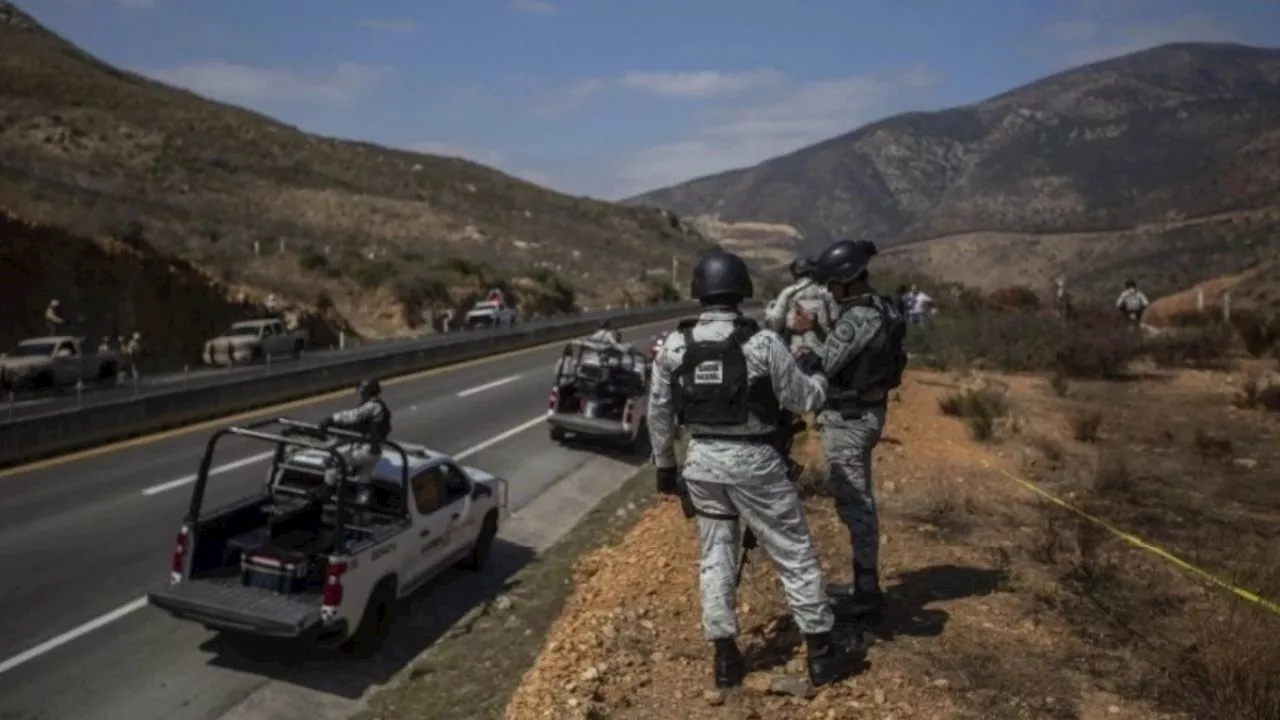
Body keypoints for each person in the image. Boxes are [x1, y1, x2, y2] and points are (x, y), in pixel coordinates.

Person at [648, 249, 852, 690]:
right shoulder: (761, 343)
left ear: (699, 291)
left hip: (701, 463)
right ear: (741, 290)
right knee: (793, 551)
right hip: (756, 463)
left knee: (715, 555)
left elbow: (659, 414)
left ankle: (724, 658)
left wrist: (665, 467)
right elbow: (804, 401)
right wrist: (816, 375)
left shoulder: (674, 346)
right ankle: (821, 652)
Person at [796, 239, 907, 620]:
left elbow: (820, 365)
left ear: (845, 281)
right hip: (866, 413)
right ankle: (865, 584)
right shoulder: (880, 307)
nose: (828, 291)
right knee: (860, 500)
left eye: (831, 284)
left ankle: (866, 592)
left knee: (856, 504)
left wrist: (808, 334)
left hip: (849, 419)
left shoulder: (858, 317)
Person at [319, 378, 392, 503]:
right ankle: (361, 507)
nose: (360, 394)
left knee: (333, 461)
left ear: (367, 392)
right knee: (364, 480)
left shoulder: (373, 405)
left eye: (362, 391)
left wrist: (330, 420)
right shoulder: (381, 408)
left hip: (365, 449)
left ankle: (326, 494)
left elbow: (353, 416)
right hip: (375, 452)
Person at [764, 256, 838, 353]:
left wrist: (769, 310)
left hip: (796, 352)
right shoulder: (826, 293)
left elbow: (774, 324)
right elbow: (836, 323)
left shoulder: (788, 293)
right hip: (823, 351)